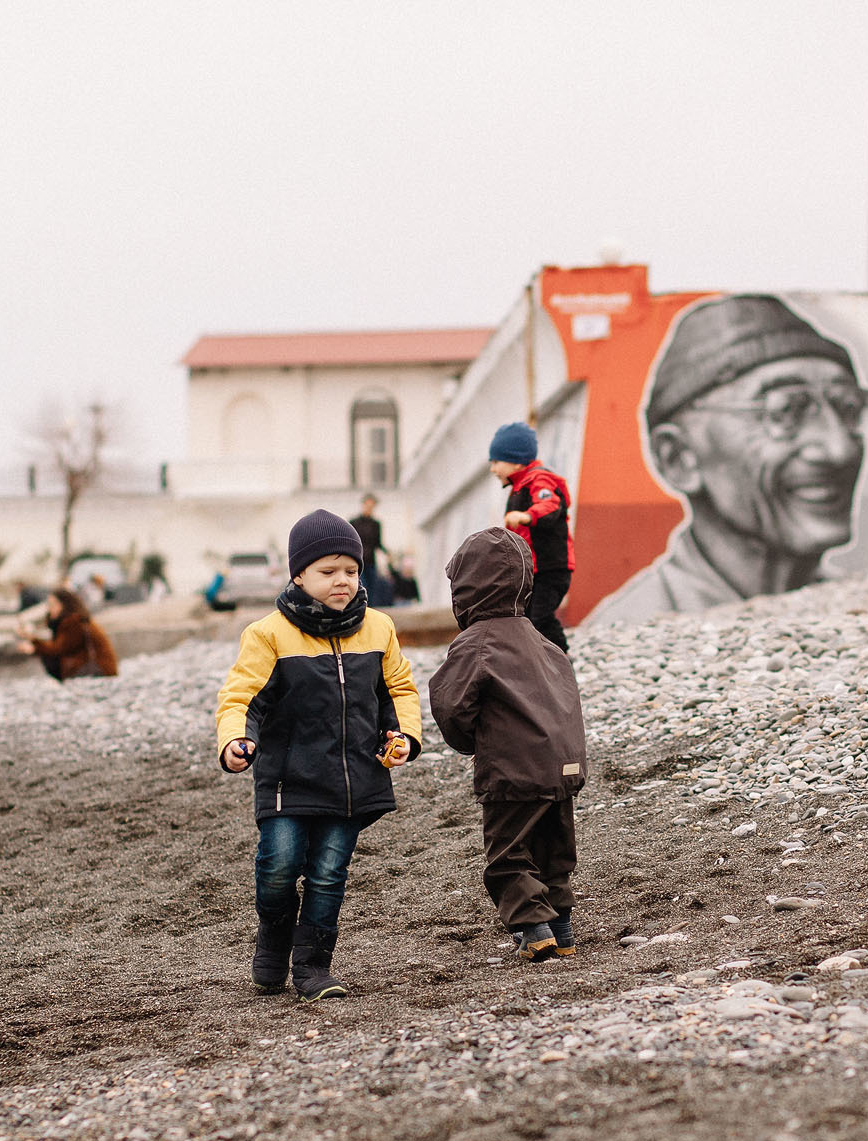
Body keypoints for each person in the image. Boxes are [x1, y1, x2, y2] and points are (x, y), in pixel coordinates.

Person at [215, 511, 422, 999]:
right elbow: (241, 699)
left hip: (353, 781)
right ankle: (273, 938)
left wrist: (404, 736)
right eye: (328, 571)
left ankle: (312, 968)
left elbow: (399, 691)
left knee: (328, 875)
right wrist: (234, 741)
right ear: (299, 575)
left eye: (351, 570)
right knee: (279, 868)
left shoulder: (379, 627)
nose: (342, 580)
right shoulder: (268, 634)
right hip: (286, 780)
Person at [592, 294, 868, 623]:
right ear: (678, 458)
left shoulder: (859, 611)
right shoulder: (630, 630)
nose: (840, 450)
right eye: (785, 411)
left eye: (849, 407)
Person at [429, 527, 588, 961]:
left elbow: (450, 704)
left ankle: (534, 929)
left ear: (466, 589)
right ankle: (562, 929)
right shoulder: (544, 642)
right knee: (554, 852)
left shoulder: (475, 642)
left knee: (508, 854)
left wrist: (470, 741)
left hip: (512, 770)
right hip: (562, 766)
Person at [485, 423, 575, 651]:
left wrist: (527, 516)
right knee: (526, 618)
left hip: (550, 568)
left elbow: (550, 506)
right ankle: (537, 659)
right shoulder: (518, 488)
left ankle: (560, 657)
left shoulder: (539, 480)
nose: (493, 469)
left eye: (496, 462)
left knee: (540, 617)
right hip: (534, 571)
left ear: (516, 461)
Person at [21, 585, 118, 680]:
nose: (50, 609)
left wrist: (34, 644)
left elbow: (58, 649)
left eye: (53, 604)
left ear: (64, 604)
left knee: (50, 657)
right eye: (49, 605)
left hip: (99, 669)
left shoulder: (73, 621)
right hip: (97, 668)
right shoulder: (74, 620)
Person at [350, 494, 395, 605]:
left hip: (370, 560)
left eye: (372, 506)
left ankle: (370, 608)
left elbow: (378, 543)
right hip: (358, 560)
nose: (369, 508)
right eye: (367, 505)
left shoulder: (376, 524)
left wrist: (387, 553)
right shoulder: (354, 522)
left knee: (372, 586)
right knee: (362, 584)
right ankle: (361, 606)